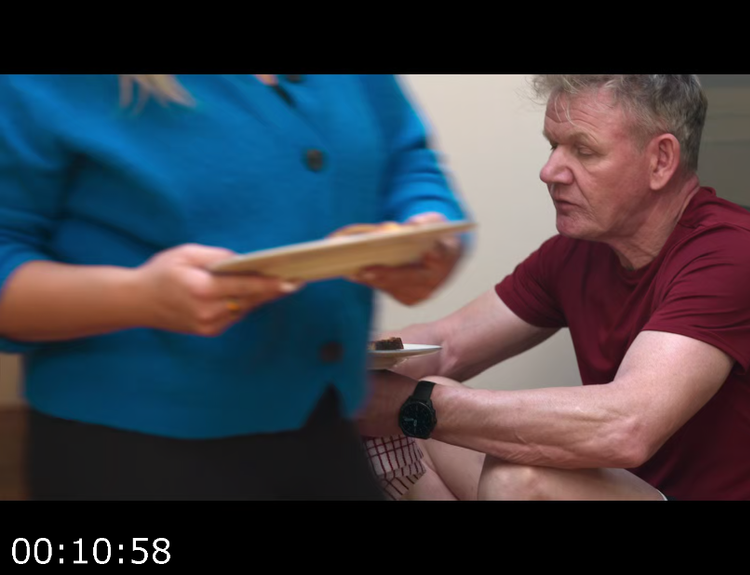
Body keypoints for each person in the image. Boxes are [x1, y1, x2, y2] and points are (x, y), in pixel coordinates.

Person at [353, 74, 750, 500]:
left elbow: (627, 426)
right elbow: (448, 346)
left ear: (661, 160)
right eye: (553, 146)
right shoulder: (582, 249)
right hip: (647, 490)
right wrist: (331, 364)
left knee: (517, 477)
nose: (550, 172)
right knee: (416, 395)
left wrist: (413, 406)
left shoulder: (732, 254)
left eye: (583, 150)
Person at [0, 74, 469, 500]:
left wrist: (429, 234)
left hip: (328, 430)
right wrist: (140, 298)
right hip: (129, 452)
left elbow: (409, 163)